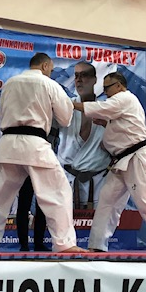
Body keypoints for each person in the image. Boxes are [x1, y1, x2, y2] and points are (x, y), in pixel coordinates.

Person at [0, 53, 85, 253]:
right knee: (58, 193)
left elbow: (2, 112)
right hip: (34, 144)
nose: (51, 71)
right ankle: (65, 244)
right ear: (45, 66)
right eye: (51, 68)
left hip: (7, 145)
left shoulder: (10, 83)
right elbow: (65, 119)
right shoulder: (49, 84)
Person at [72, 72, 146, 253]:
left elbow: (100, 108)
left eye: (108, 88)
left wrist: (72, 104)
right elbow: (121, 128)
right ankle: (97, 245)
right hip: (121, 161)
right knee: (107, 202)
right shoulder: (120, 105)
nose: (106, 92)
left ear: (119, 86)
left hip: (136, 158)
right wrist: (107, 125)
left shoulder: (125, 98)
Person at [57, 62, 111, 209]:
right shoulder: (64, 107)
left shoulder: (107, 109)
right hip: (67, 179)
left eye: (84, 75)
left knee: (100, 221)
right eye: (76, 76)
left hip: (99, 181)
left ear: (94, 80)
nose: (79, 80)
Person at [15, 177, 47, 251]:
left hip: (42, 174)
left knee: (42, 207)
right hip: (26, 173)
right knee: (23, 206)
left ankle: (39, 243)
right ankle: (23, 243)